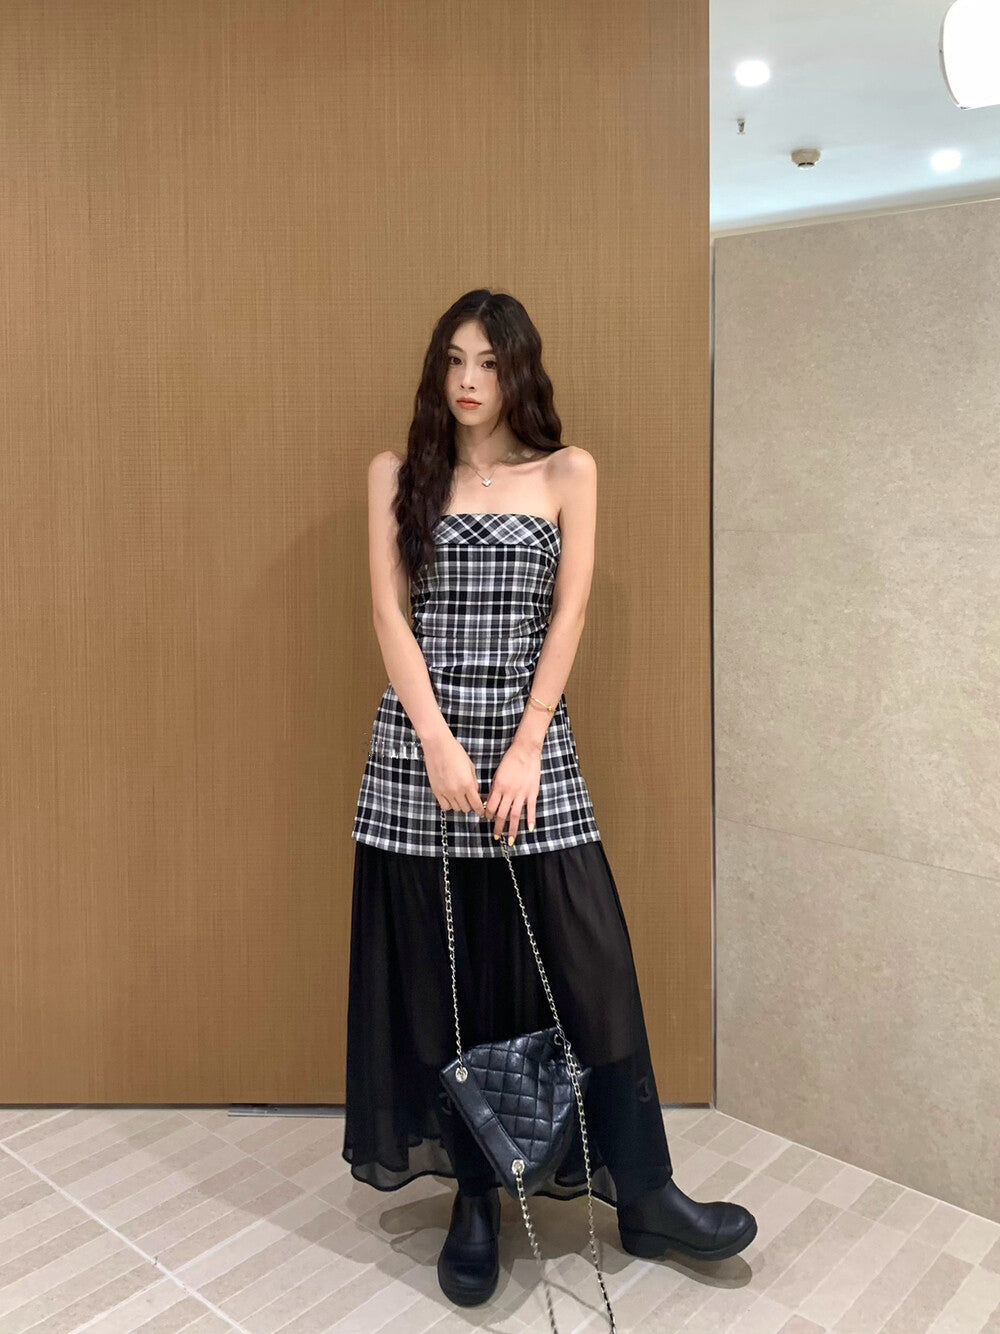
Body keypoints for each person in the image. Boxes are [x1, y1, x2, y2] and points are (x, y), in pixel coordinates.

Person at [342, 289, 757, 1308]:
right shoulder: (398, 473)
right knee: (446, 981)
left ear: (520, 369)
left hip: (535, 754)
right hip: (421, 760)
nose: (468, 379)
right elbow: (390, 616)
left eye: (488, 361)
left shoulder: (568, 472)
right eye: (454, 359)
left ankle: (646, 1192)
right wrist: (437, 742)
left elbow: (567, 616)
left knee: (592, 966)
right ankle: (476, 1198)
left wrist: (526, 742)